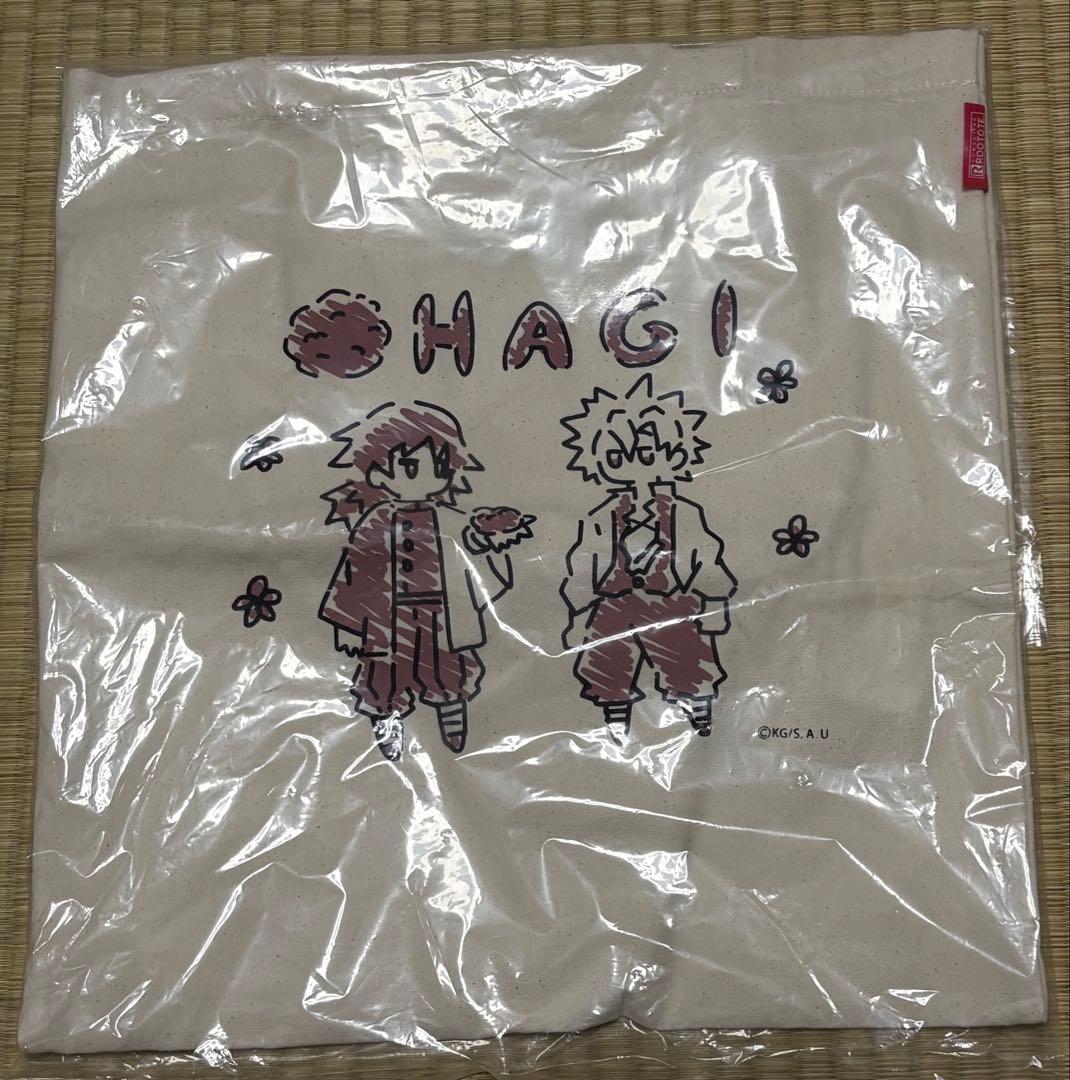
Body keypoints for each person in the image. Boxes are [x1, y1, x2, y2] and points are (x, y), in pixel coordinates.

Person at [319, 401, 515, 760]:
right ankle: (388, 722)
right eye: (410, 466)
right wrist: (346, 626)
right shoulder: (376, 523)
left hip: (440, 616)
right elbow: (357, 572)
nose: (424, 476)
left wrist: (493, 546)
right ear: (379, 472)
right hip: (390, 620)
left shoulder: (451, 519)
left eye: (438, 467)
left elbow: (473, 557)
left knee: (446, 668)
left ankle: (452, 715)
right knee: (385, 674)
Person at [560, 374, 737, 744]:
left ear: (674, 455)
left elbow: (706, 557)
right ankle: (614, 710)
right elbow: (583, 564)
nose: (634, 464)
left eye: (647, 454)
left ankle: (697, 703)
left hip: (671, 601)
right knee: (607, 653)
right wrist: (578, 607)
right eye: (616, 457)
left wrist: (715, 603)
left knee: (685, 649)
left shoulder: (684, 514)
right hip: (615, 604)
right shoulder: (601, 518)